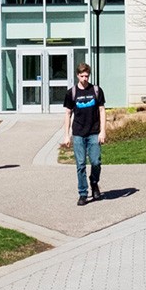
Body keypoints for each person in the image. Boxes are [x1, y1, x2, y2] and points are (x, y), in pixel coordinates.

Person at [62, 62, 106, 205]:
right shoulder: (72, 93)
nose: (85, 78)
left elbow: (102, 111)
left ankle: (94, 182)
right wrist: (66, 135)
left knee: (96, 162)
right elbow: (68, 114)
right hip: (79, 133)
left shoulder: (96, 91)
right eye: (82, 76)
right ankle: (83, 193)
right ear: (77, 76)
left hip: (94, 132)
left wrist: (103, 131)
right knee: (80, 164)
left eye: (87, 76)